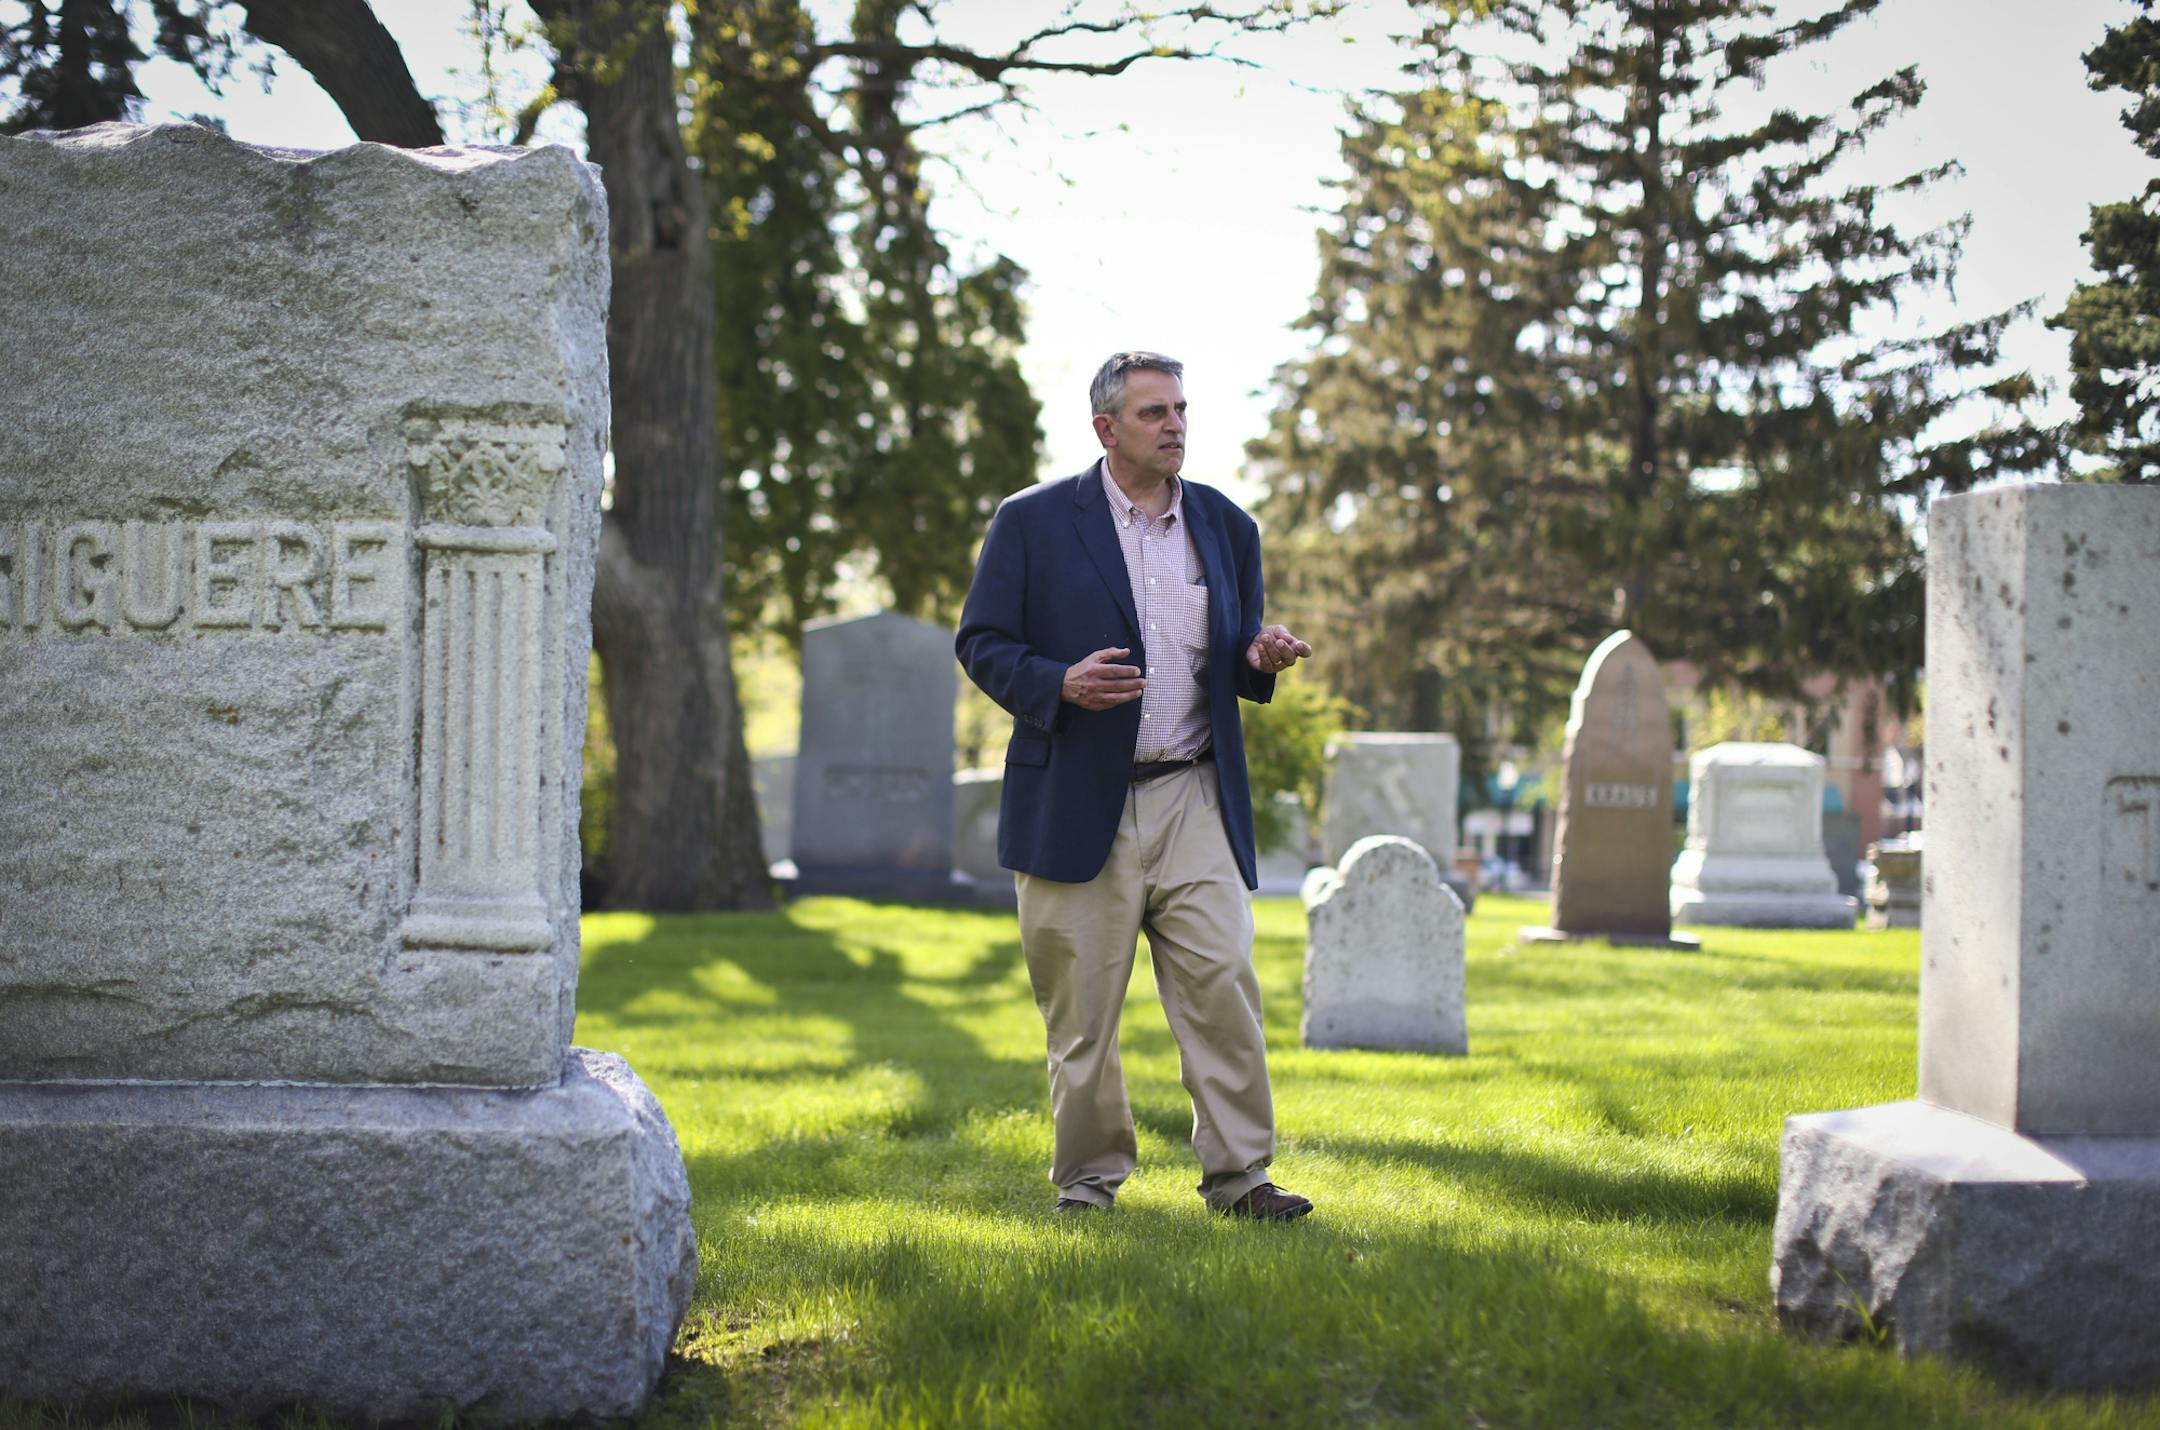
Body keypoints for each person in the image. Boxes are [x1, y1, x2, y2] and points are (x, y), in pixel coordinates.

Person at [955, 351, 1316, 1221]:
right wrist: (1059, 684)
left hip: (1194, 791)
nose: (1176, 426)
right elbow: (983, 642)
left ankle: (1242, 1179)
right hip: (1077, 801)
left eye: (1182, 409)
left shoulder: (1228, 526)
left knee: (1224, 981)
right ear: (1106, 428)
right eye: (1155, 412)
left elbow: (1229, 653)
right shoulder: (1033, 523)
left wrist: (1255, 658)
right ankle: (1089, 1184)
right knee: (1083, 1017)